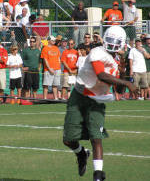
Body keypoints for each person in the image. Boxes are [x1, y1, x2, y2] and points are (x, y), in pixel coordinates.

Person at [63, 26, 137, 181]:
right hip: (80, 95)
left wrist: (122, 72)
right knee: (68, 139)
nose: (113, 44)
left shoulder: (117, 62)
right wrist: (127, 82)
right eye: (110, 40)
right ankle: (81, 153)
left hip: (97, 100)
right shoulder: (97, 52)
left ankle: (98, 175)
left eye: (116, 42)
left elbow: (119, 90)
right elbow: (101, 75)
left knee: (96, 137)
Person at [41, 35, 61, 100]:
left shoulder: (56, 48)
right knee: (46, 85)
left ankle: (55, 98)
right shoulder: (45, 48)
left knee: (55, 85)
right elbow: (45, 60)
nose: (54, 41)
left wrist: (59, 67)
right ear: (49, 41)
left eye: (54, 40)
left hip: (57, 69)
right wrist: (49, 69)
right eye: (52, 40)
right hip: (48, 69)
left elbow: (58, 58)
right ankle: (45, 98)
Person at [143, 34, 150, 99]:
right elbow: (147, 56)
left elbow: (148, 56)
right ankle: (147, 96)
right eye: (147, 39)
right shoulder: (144, 47)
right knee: (147, 84)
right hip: (146, 68)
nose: (148, 40)